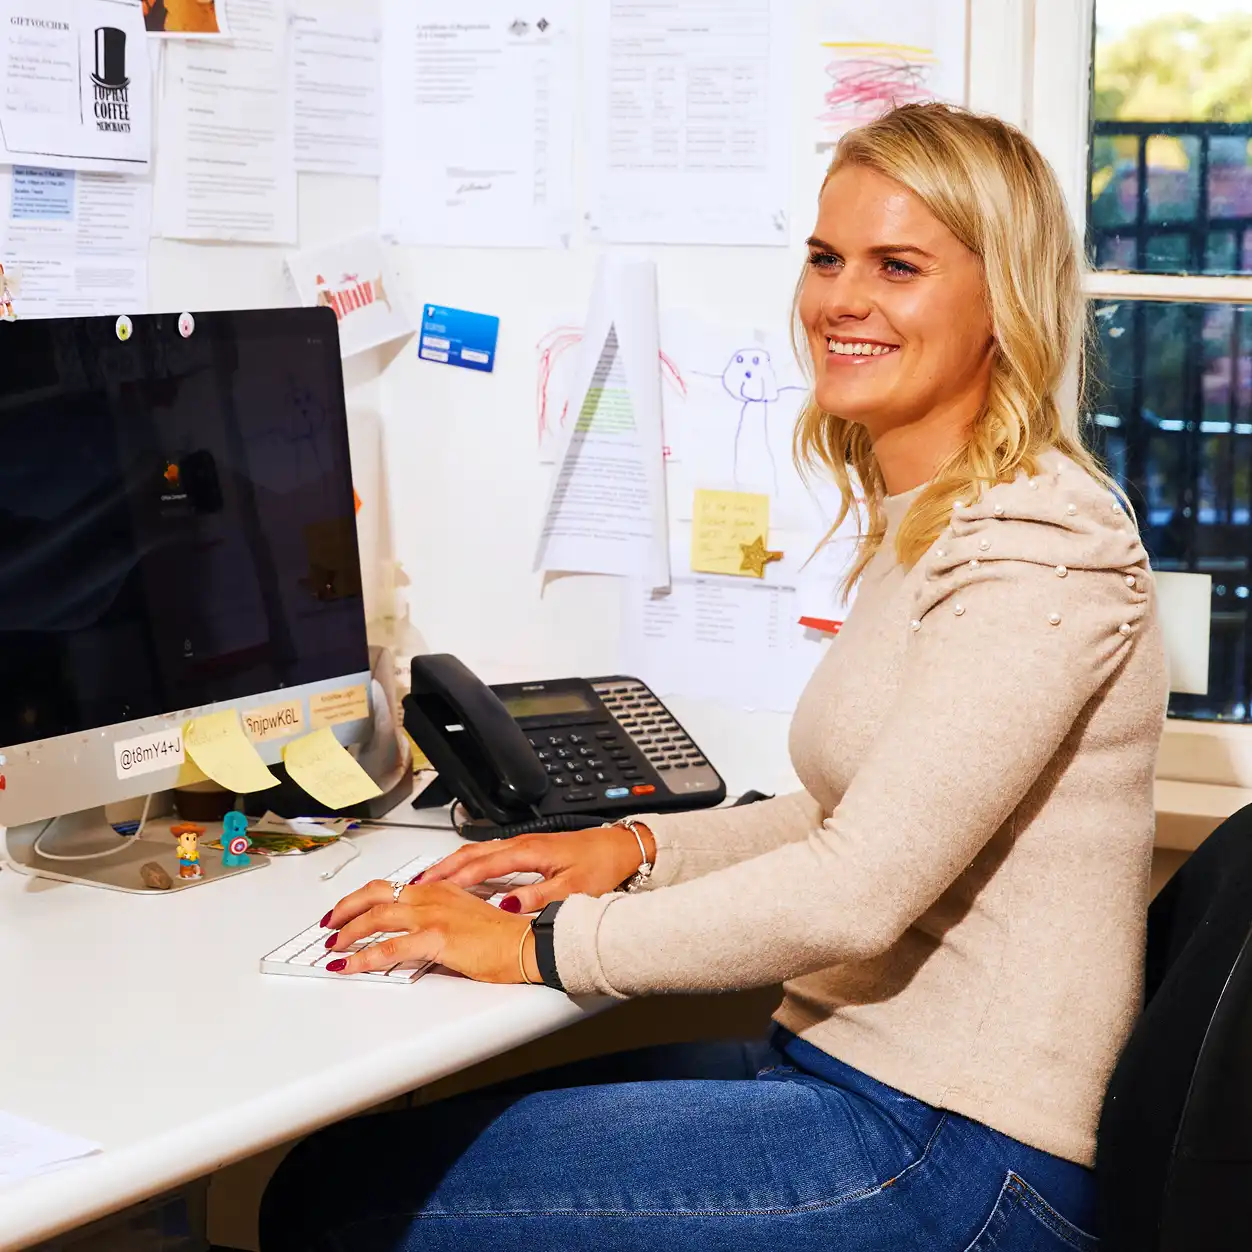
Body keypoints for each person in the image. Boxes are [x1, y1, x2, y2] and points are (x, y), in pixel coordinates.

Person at [259, 102, 1168, 1252]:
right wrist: (638, 850)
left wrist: (541, 943)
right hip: (855, 1076)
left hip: (958, 1149)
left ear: (1005, 299)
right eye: (826, 258)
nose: (843, 299)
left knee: (338, 1205)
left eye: (899, 265)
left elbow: (854, 888)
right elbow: (854, 816)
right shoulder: (935, 520)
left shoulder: (1042, 541)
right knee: (351, 1159)